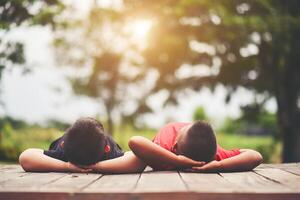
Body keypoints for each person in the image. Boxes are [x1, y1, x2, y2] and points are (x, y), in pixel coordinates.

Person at [19, 117, 148, 173]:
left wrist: (96, 167)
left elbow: (26, 157)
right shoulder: (110, 154)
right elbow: (139, 160)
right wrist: (66, 166)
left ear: (62, 144)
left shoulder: (63, 153)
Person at [128, 121, 263, 172]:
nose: (182, 125)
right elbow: (255, 156)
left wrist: (219, 166)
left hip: (152, 150)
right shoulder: (216, 156)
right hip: (190, 138)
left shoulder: (164, 149)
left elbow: (135, 142)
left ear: (175, 147)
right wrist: (218, 165)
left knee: (135, 160)